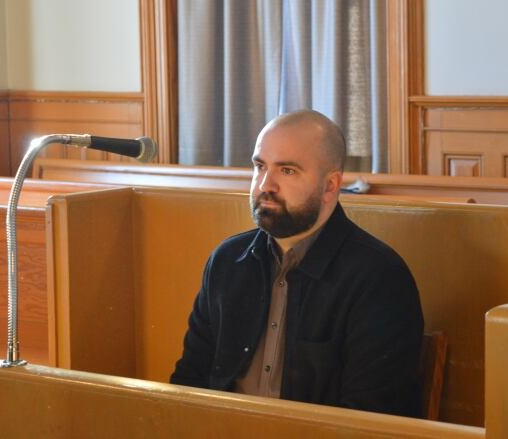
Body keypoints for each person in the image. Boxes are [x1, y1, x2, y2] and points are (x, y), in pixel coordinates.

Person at [170, 110, 424, 417]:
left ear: (331, 186)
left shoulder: (378, 278)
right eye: (259, 166)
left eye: (287, 171)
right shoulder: (227, 261)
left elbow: (372, 418)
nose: (266, 185)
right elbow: (189, 383)